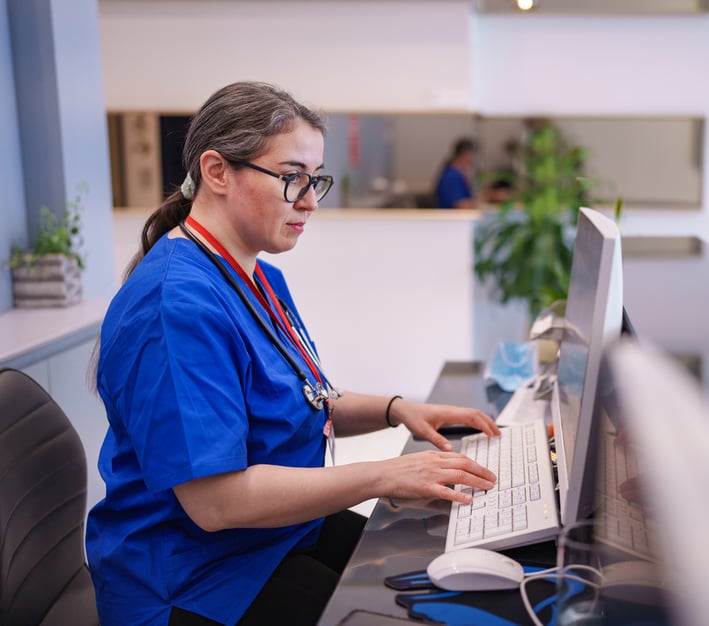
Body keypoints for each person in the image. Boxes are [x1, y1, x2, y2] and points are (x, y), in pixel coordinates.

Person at [86, 81, 500, 626]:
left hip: (274, 536)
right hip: (196, 576)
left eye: (315, 180)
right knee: (404, 611)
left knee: (435, 561)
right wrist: (384, 474)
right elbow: (217, 503)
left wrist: (398, 409)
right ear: (217, 172)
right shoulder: (175, 308)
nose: (309, 201)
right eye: (291, 179)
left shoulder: (257, 275)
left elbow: (306, 397)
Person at [434, 137, 477, 208]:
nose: (474, 159)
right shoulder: (452, 176)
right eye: (473, 154)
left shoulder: (458, 173)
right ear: (464, 154)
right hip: (451, 217)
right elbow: (460, 204)